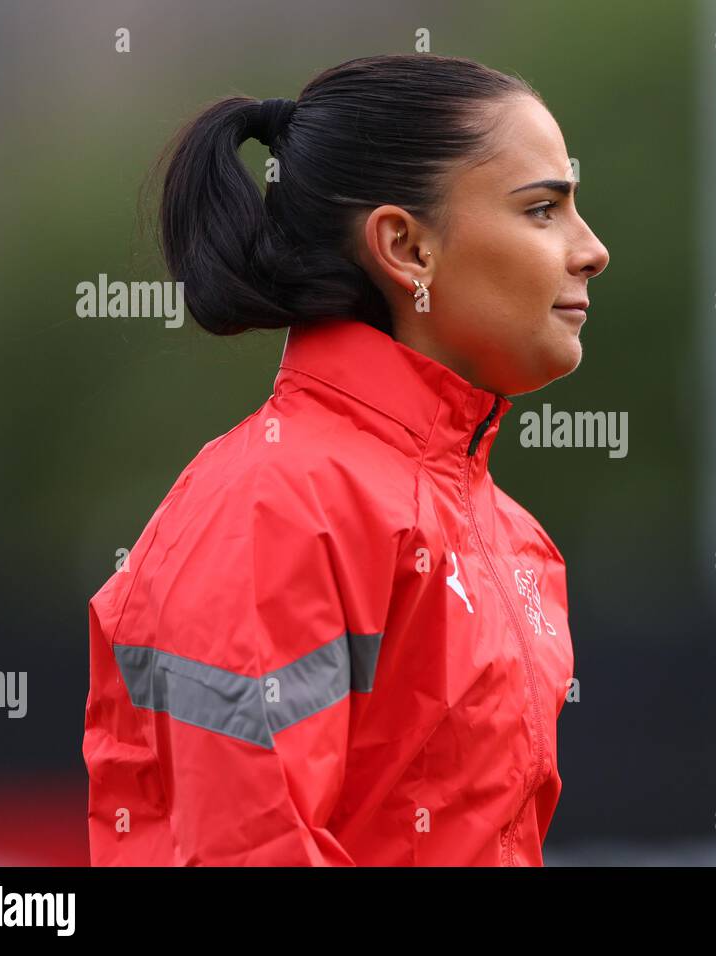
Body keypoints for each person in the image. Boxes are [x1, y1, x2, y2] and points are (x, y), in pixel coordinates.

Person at [81, 53, 610, 866]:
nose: (591, 250)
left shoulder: (515, 537)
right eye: (543, 210)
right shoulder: (273, 503)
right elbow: (243, 849)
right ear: (406, 247)